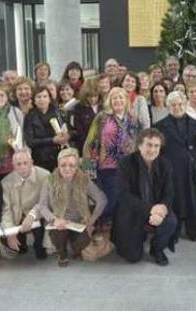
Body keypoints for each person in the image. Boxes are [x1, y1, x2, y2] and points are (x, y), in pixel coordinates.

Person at [112, 129, 177, 265]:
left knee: (171, 221)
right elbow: (124, 196)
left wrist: (163, 209)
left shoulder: (166, 165)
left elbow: (169, 193)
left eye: (156, 146)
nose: (152, 150)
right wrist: (151, 209)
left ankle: (157, 248)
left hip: (156, 209)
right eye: (149, 145)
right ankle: (136, 237)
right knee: (133, 257)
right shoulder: (125, 163)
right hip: (132, 212)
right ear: (139, 145)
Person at [32, 148, 106, 267]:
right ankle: (62, 252)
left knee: (81, 243)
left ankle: (76, 247)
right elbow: (42, 206)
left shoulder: (84, 180)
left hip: (79, 221)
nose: (67, 169)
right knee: (58, 234)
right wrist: (54, 220)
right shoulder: (50, 180)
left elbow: (101, 199)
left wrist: (92, 220)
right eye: (63, 165)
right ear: (58, 165)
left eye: (71, 165)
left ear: (77, 166)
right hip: (59, 220)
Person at [154, 91, 196, 241]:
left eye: (180, 104)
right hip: (171, 171)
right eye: (173, 105)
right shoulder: (158, 128)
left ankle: (193, 230)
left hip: (193, 171)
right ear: (167, 106)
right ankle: (174, 231)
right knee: (174, 200)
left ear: (185, 105)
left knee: (194, 200)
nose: (177, 107)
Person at [83, 87, 140, 222]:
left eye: (121, 97)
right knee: (112, 200)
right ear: (110, 101)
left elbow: (138, 143)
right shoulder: (102, 117)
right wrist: (87, 166)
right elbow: (89, 143)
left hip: (128, 167)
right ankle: (90, 221)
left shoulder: (133, 119)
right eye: (115, 98)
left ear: (126, 100)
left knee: (124, 201)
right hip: (107, 166)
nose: (118, 100)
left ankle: (113, 230)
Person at [0, 148, 50, 259]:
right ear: (13, 165)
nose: (22, 167)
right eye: (18, 164)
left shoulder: (45, 176)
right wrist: (9, 232)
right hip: (17, 216)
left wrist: (32, 215)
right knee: (14, 250)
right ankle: (20, 241)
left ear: (32, 162)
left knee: (41, 253)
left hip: (37, 215)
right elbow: (6, 210)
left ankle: (40, 245)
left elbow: (45, 202)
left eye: (25, 163)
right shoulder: (6, 182)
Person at [23, 86, 70, 174]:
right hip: (40, 158)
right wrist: (52, 140)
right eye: (39, 97)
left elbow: (69, 130)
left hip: (59, 154)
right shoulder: (30, 116)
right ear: (34, 100)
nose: (42, 100)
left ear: (49, 99)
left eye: (45, 96)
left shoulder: (59, 112)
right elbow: (30, 141)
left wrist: (67, 136)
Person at [71, 79, 101, 153]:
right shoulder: (78, 107)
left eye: (95, 96)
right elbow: (79, 130)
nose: (93, 99)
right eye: (89, 96)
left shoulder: (104, 106)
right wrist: (89, 145)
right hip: (85, 146)